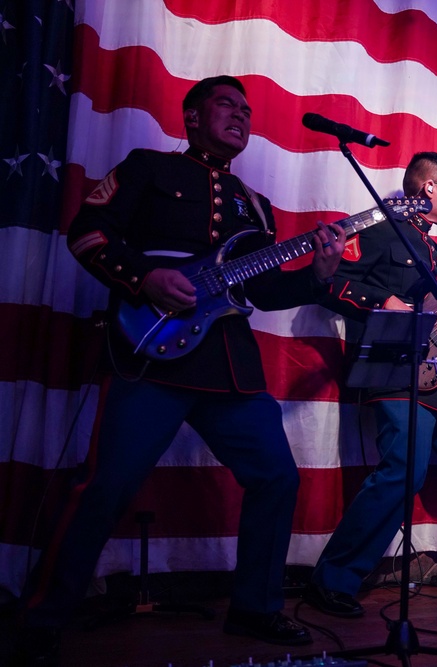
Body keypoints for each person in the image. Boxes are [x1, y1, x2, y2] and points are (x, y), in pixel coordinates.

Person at [16, 75, 344, 662]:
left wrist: (317, 274)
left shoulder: (256, 206)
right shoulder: (147, 167)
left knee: (277, 478)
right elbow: (87, 233)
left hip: (229, 368)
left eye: (247, 109)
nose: (241, 115)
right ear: (192, 116)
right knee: (106, 485)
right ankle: (43, 614)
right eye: (226, 104)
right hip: (151, 354)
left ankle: (255, 608)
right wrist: (144, 278)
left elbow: (263, 291)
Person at [307, 151, 437, 618]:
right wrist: (382, 298)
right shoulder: (381, 232)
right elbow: (332, 282)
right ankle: (332, 578)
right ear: (429, 187)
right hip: (392, 371)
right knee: (406, 469)